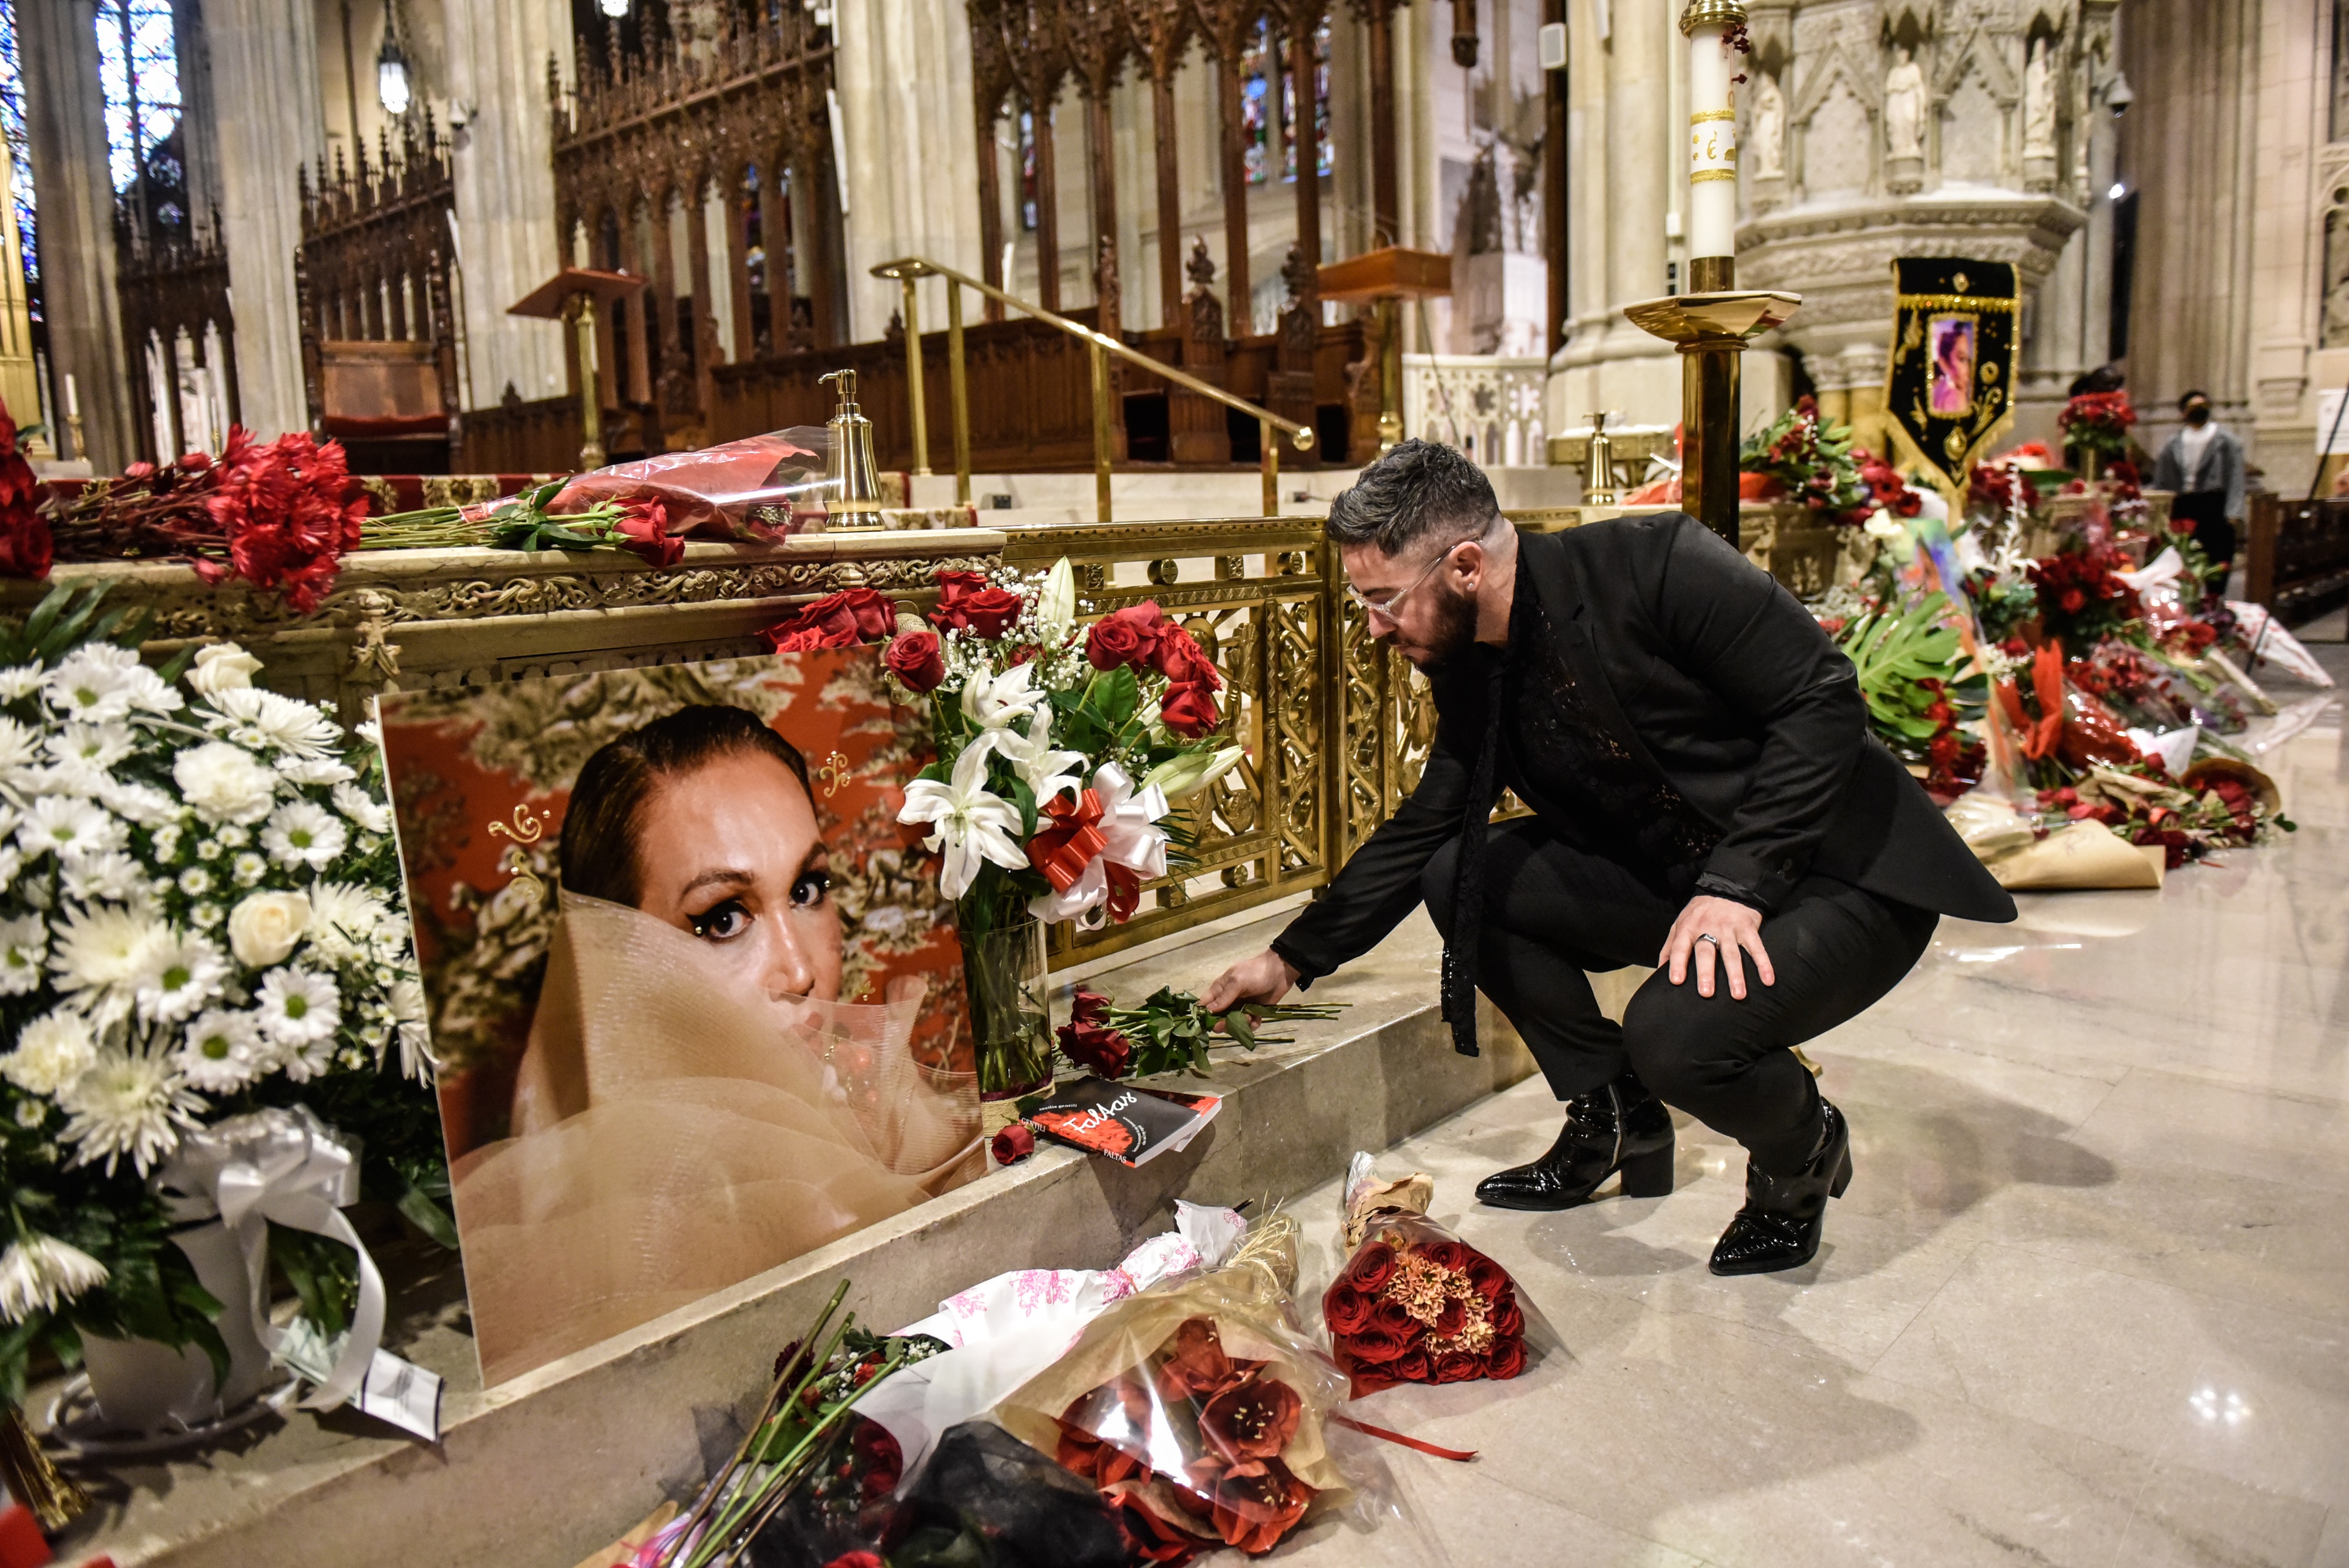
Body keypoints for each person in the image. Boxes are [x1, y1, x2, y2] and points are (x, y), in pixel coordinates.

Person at [1203, 442, 2015, 1277]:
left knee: (1674, 1034)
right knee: (1462, 872)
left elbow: (1822, 700)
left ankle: (1800, 1150)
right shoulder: (1471, 661)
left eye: (1383, 598)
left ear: (1467, 565)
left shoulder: (1658, 563)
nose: (1374, 627)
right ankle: (1617, 1117)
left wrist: (1738, 884)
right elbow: (1432, 816)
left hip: (1835, 874)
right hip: (1683, 879)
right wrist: (1294, 957)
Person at [455, 705, 980, 1384]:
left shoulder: (908, 1126)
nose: (799, 971)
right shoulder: (606, 1256)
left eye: (807, 889)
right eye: (723, 919)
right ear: (617, 957)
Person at [2151, 390, 2247, 586]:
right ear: (2183, 412)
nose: (2198, 411)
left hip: (2214, 503)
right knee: (2183, 554)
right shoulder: (2173, 444)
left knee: (2217, 555)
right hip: (2185, 503)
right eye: (2193, 408)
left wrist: (2234, 511)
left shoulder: (2225, 441)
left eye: (2203, 407)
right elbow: (2162, 478)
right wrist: (2160, 508)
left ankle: (2214, 599)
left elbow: (2236, 476)